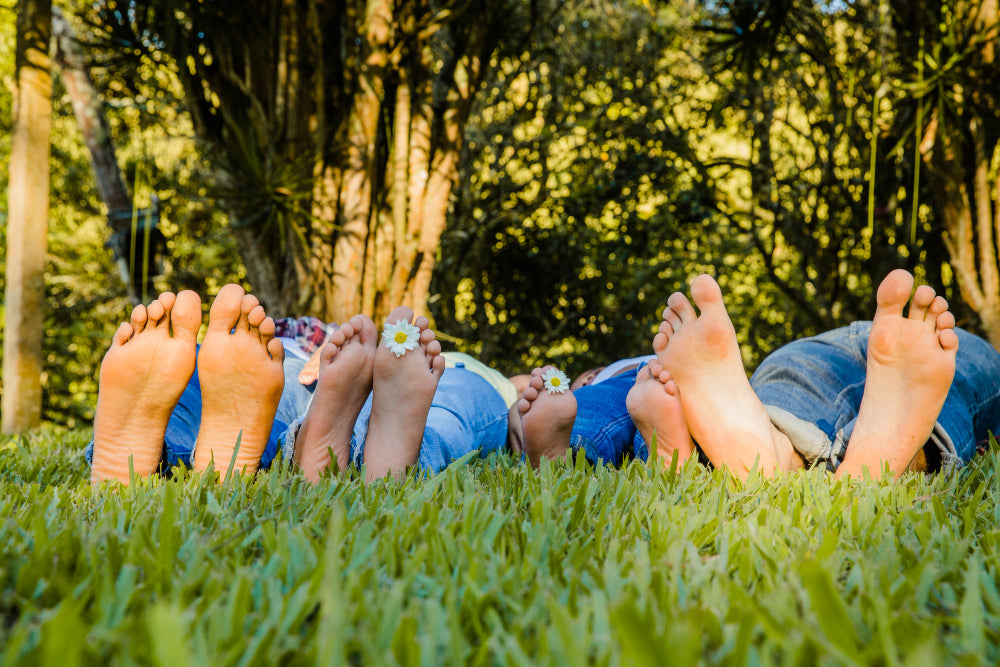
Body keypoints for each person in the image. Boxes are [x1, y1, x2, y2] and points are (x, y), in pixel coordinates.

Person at [519, 269, 1000, 479]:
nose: (589, 380)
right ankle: (881, 460)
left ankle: (775, 453)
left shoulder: (638, 373)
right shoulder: (634, 378)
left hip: (817, 357)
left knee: (790, 385)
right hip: (837, 352)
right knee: (964, 374)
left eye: (590, 377)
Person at [87, 285, 511, 485]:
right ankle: (338, 447)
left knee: (446, 401)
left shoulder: (510, 385)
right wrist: (322, 350)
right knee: (192, 379)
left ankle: (332, 440)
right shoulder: (278, 336)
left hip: (366, 384)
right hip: (282, 375)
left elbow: (540, 401)